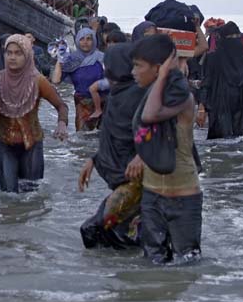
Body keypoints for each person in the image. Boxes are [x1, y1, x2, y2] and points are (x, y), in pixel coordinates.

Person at [134, 35, 202, 265]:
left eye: (138, 66)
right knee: (153, 263)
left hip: (183, 195)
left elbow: (149, 116)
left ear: (157, 67)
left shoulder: (182, 97)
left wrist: (164, 76)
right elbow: (145, 132)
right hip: (152, 193)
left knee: (187, 263)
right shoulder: (150, 94)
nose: (134, 72)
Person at [78, 43, 145, 249]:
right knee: (113, 233)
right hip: (122, 178)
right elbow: (113, 136)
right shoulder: (116, 94)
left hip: (135, 182)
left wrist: (141, 155)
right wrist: (94, 159)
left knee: (93, 229)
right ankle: (123, 272)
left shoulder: (139, 94)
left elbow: (151, 128)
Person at [0, 35, 68, 193]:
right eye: (9, 53)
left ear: (27, 55)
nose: (12, 57)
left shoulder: (38, 80)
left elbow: (61, 105)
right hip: (4, 142)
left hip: (32, 144)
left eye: (18, 53)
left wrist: (61, 124)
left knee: (31, 197)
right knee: (8, 197)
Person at [200, 22, 243, 139]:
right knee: (220, 142)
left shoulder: (242, 60)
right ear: (224, 39)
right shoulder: (213, 58)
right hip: (220, 105)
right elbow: (206, 82)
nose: (235, 40)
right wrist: (201, 107)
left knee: (239, 143)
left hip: (240, 106)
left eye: (237, 36)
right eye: (232, 37)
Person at [52, 27, 106, 131]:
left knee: (103, 136)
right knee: (83, 137)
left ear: (94, 40)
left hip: (104, 102)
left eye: (89, 39)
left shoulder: (102, 58)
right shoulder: (71, 59)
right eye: (82, 39)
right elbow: (56, 81)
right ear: (77, 41)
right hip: (83, 104)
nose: (85, 42)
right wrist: (59, 60)